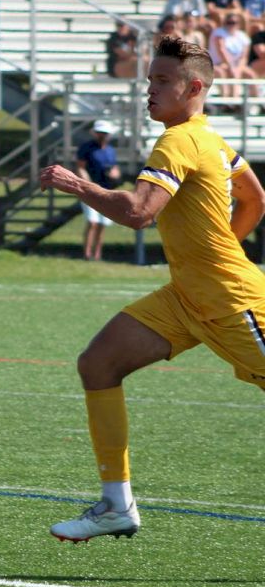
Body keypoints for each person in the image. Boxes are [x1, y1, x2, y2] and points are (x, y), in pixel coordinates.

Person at [39, 37, 265, 543]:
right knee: (98, 363)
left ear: (196, 87)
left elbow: (139, 213)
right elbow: (255, 197)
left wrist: (80, 187)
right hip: (186, 299)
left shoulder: (180, 141)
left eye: (162, 81)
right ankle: (116, 505)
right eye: (149, 81)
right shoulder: (211, 139)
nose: (150, 91)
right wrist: (215, 250)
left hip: (233, 302)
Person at [76, 120, 122, 261]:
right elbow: (80, 167)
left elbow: (115, 169)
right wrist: (87, 183)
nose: (102, 136)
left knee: (102, 224)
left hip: (106, 190)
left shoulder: (110, 151)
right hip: (90, 191)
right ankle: (87, 253)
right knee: (93, 221)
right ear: (95, 133)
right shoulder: (86, 148)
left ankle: (97, 253)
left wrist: (116, 174)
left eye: (105, 133)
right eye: (100, 133)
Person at [209, 13, 257, 104]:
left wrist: (238, 67)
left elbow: (244, 56)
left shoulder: (242, 36)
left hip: (235, 65)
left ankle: (256, 103)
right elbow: (221, 50)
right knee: (225, 72)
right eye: (228, 22)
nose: (230, 25)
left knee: (250, 74)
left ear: (239, 24)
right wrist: (231, 66)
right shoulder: (219, 33)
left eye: (233, 22)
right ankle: (228, 101)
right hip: (218, 64)